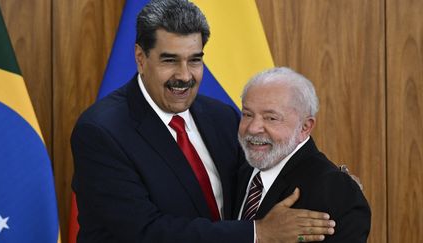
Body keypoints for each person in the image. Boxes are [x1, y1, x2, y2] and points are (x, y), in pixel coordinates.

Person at [71, 1, 335, 242]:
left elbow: (265, 170)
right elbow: (144, 231)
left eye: (194, 60)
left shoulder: (221, 116)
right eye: (170, 60)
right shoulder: (101, 131)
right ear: (141, 58)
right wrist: (258, 233)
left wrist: (330, 180)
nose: (184, 76)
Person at [236, 67, 371, 242]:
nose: (253, 128)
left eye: (271, 118)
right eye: (247, 114)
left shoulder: (335, 191)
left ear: (305, 127)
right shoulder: (240, 171)